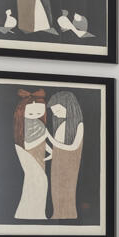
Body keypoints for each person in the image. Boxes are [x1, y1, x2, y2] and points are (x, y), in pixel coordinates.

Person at [46, 90, 85, 220]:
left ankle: (68, 215)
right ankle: (57, 214)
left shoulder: (78, 125)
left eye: (58, 110)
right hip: (57, 163)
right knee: (56, 190)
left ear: (69, 106)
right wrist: (51, 153)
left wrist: (49, 138)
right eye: (54, 112)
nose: (55, 114)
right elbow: (58, 149)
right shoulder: (60, 124)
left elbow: (73, 147)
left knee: (67, 191)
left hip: (69, 165)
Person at [13, 88, 50, 220]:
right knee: (38, 182)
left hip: (41, 158)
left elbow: (44, 141)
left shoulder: (40, 124)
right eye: (31, 112)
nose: (35, 115)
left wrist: (51, 151)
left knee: (39, 183)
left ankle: (36, 213)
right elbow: (29, 143)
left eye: (39, 112)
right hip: (30, 155)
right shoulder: (24, 126)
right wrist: (44, 138)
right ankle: (28, 213)